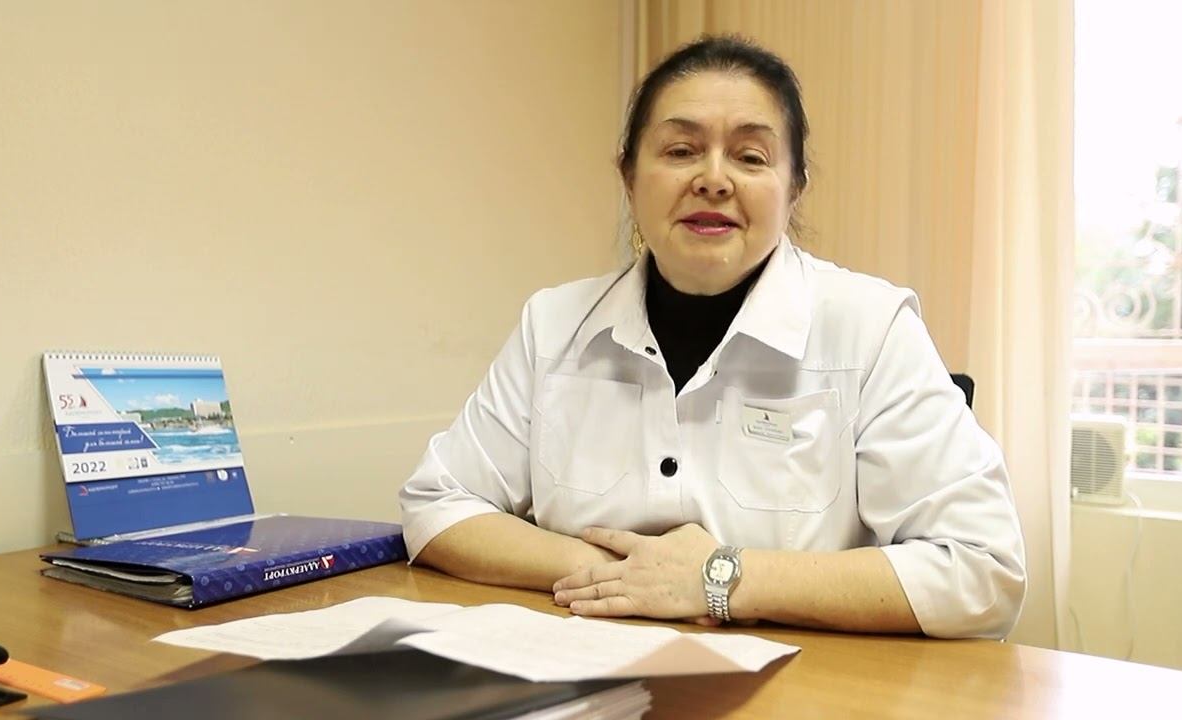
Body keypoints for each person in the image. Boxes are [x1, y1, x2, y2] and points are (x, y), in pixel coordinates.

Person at [399, 35, 1025, 639]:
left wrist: (720, 578)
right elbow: (437, 503)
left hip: (806, 682)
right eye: (680, 151)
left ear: (795, 186)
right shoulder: (554, 324)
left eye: (750, 157)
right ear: (628, 175)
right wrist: (624, 575)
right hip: (586, 670)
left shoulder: (871, 328)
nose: (713, 179)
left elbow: (982, 568)